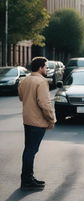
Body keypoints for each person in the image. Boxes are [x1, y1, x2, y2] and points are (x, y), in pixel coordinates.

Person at [18, 57, 56, 191]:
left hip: (27, 120)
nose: (47, 69)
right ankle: (27, 180)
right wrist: (51, 119)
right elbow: (45, 104)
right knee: (31, 150)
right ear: (40, 67)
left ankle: (27, 177)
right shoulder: (41, 81)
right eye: (46, 67)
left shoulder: (25, 80)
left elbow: (21, 97)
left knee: (28, 149)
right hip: (37, 122)